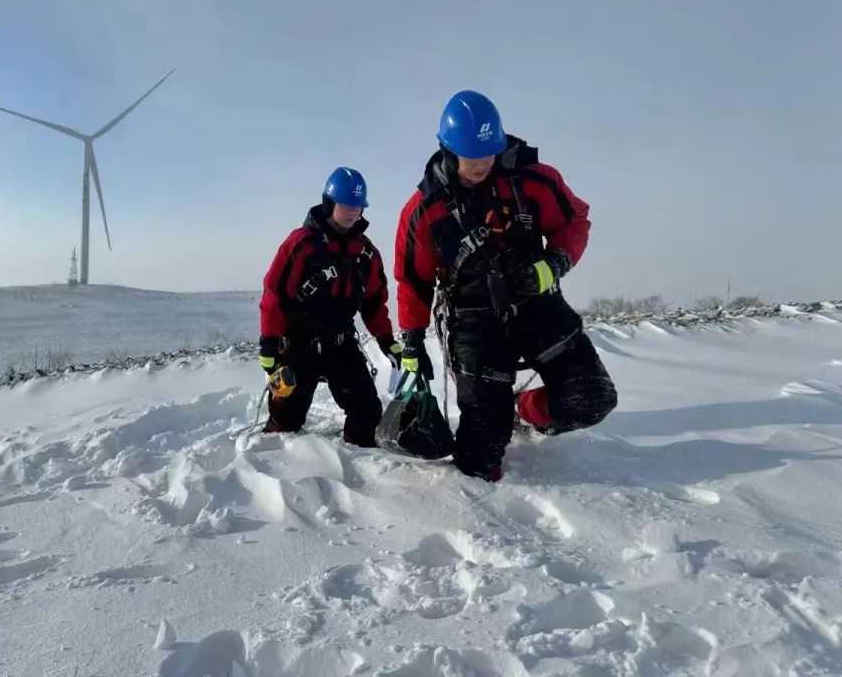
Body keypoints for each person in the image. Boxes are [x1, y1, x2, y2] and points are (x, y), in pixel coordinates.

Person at [394, 91, 617, 481]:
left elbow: (575, 220)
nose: (482, 164)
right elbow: (412, 280)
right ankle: (492, 430)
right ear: (449, 151)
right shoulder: (424, 209)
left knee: (591, 399)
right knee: (480, 459)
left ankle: (523, 410)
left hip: (538, 306)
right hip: (474, 323)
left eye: (489, 154)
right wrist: (412, 342)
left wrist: (553, 265)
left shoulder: (532, 179)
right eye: (472, 157)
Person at [259, 167, 402, 446]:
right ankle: (274, 457)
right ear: (329, 204)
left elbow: (374, 303)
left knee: (367, 413)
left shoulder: (366, 253)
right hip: (299, 345)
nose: (351, 213)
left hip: (341, 345)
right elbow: (274, 296)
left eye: (357, 208)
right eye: (345, 206)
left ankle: (359, 461)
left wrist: (387, 341)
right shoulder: (300, 245)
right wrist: (269, 345)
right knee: (286, 419)